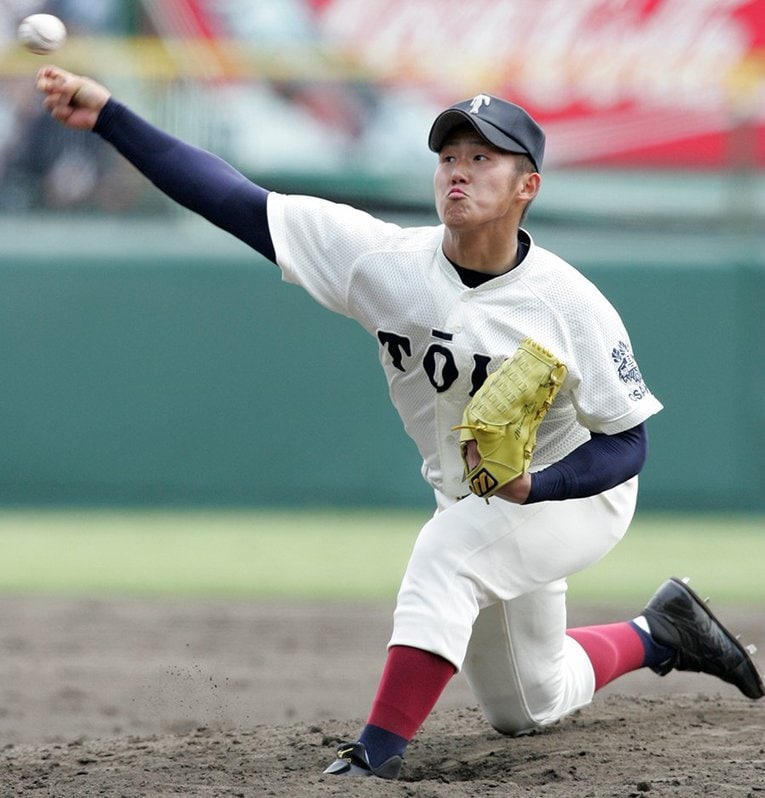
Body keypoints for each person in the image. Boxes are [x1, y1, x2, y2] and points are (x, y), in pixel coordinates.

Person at [35, 67, 764, 780]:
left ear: (526, 187)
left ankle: (372, 755)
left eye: (483, 158)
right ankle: (661, 631)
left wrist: (534, 486)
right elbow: (234, 201)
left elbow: (629, 442)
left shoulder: (568, 305)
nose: (458, 171)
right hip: (478, 496)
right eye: (448, 156)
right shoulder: (384, 261)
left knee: (445, 557)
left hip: (573, 494)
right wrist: (108, 117)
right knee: (527, 702)